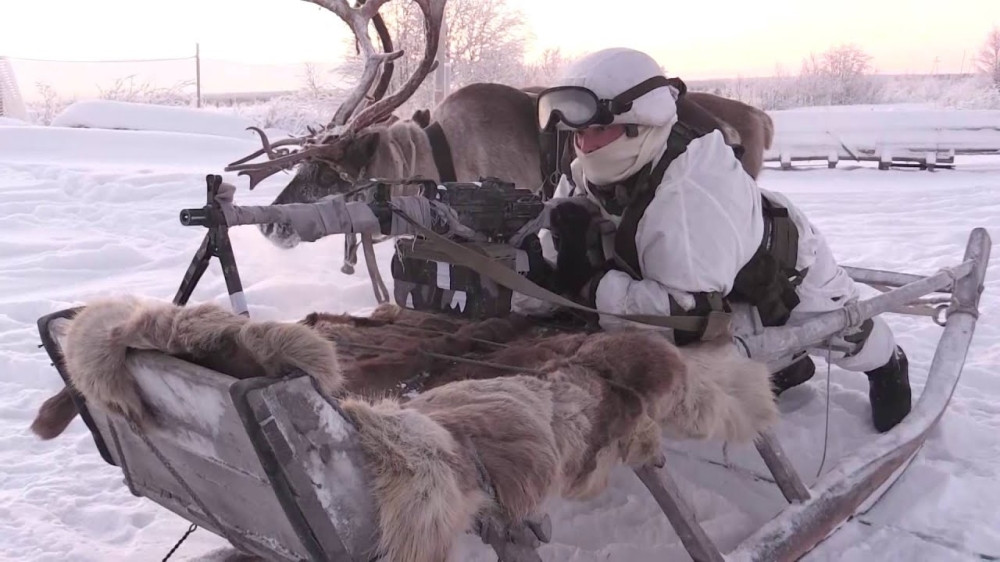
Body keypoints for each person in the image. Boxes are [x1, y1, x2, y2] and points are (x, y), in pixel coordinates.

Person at [528, 47, 911, 433]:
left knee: (844, 332)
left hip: (789, 274)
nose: (584, 144)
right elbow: (557, 244)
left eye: (596, 130)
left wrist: (590, 284)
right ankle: (789, 365)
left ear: (638, 123)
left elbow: (688, 318)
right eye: (578, 132)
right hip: (704, 277)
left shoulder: (690, 195)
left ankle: (889, 363)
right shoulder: (596, 168)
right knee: (748, 330)